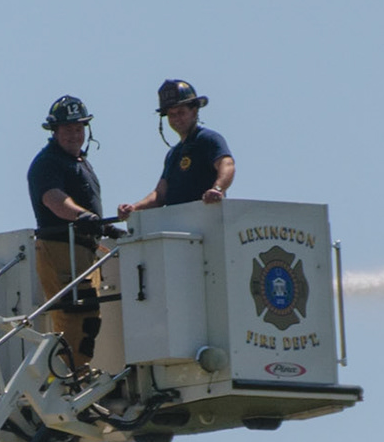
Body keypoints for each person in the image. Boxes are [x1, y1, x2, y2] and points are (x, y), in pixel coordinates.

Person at [27, 95, 115, 374]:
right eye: (67, 129)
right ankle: (65, 379)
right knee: (72, 315)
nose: (74, 135)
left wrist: (103, 227)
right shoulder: (48, 162)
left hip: (84, 249)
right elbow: (53, 199)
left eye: (79, 129)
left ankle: (77, 373)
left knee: (88, 315)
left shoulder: (79, 162)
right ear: (54, 131)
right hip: (60, 248)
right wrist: (82, 216)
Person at [117, 79, 234, 217]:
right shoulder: (173, 154)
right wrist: (134, 208)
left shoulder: (208, 138)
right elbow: (160, 195)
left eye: (181, 112)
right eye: (172, 115)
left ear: (194, 112)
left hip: (207, 222)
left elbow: (227, 164)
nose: (177, 118)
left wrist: (217, 189)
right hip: (179, 227)